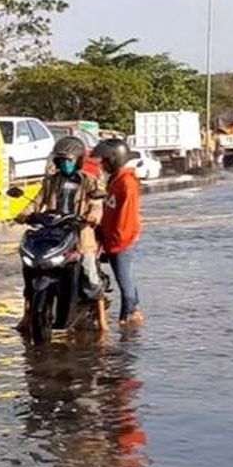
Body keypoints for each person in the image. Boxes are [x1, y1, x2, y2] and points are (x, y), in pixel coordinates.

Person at [16, 136, 106, 332]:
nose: (65, 164)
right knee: (31, 268)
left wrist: (92, 216)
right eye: (62, 160)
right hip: (53, 232)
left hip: (80, 234)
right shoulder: (50, 181)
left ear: (78, 160)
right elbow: (35, 201)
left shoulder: (89, 182)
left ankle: (102, 321)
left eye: (69, 160)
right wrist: (24, 214)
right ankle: (27, 316)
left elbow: (97, 205)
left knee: (89, 272)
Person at [94, 138, 144, 328]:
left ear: (115, 159)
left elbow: (127, 217)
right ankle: (134, 310)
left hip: (121, 240)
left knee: (124, 279)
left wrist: (116, 242)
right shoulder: (116, 180)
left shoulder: (126, 183)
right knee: (126, 277)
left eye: (105, 160)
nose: (102, 164)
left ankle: (128, 315)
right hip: (114, 239)